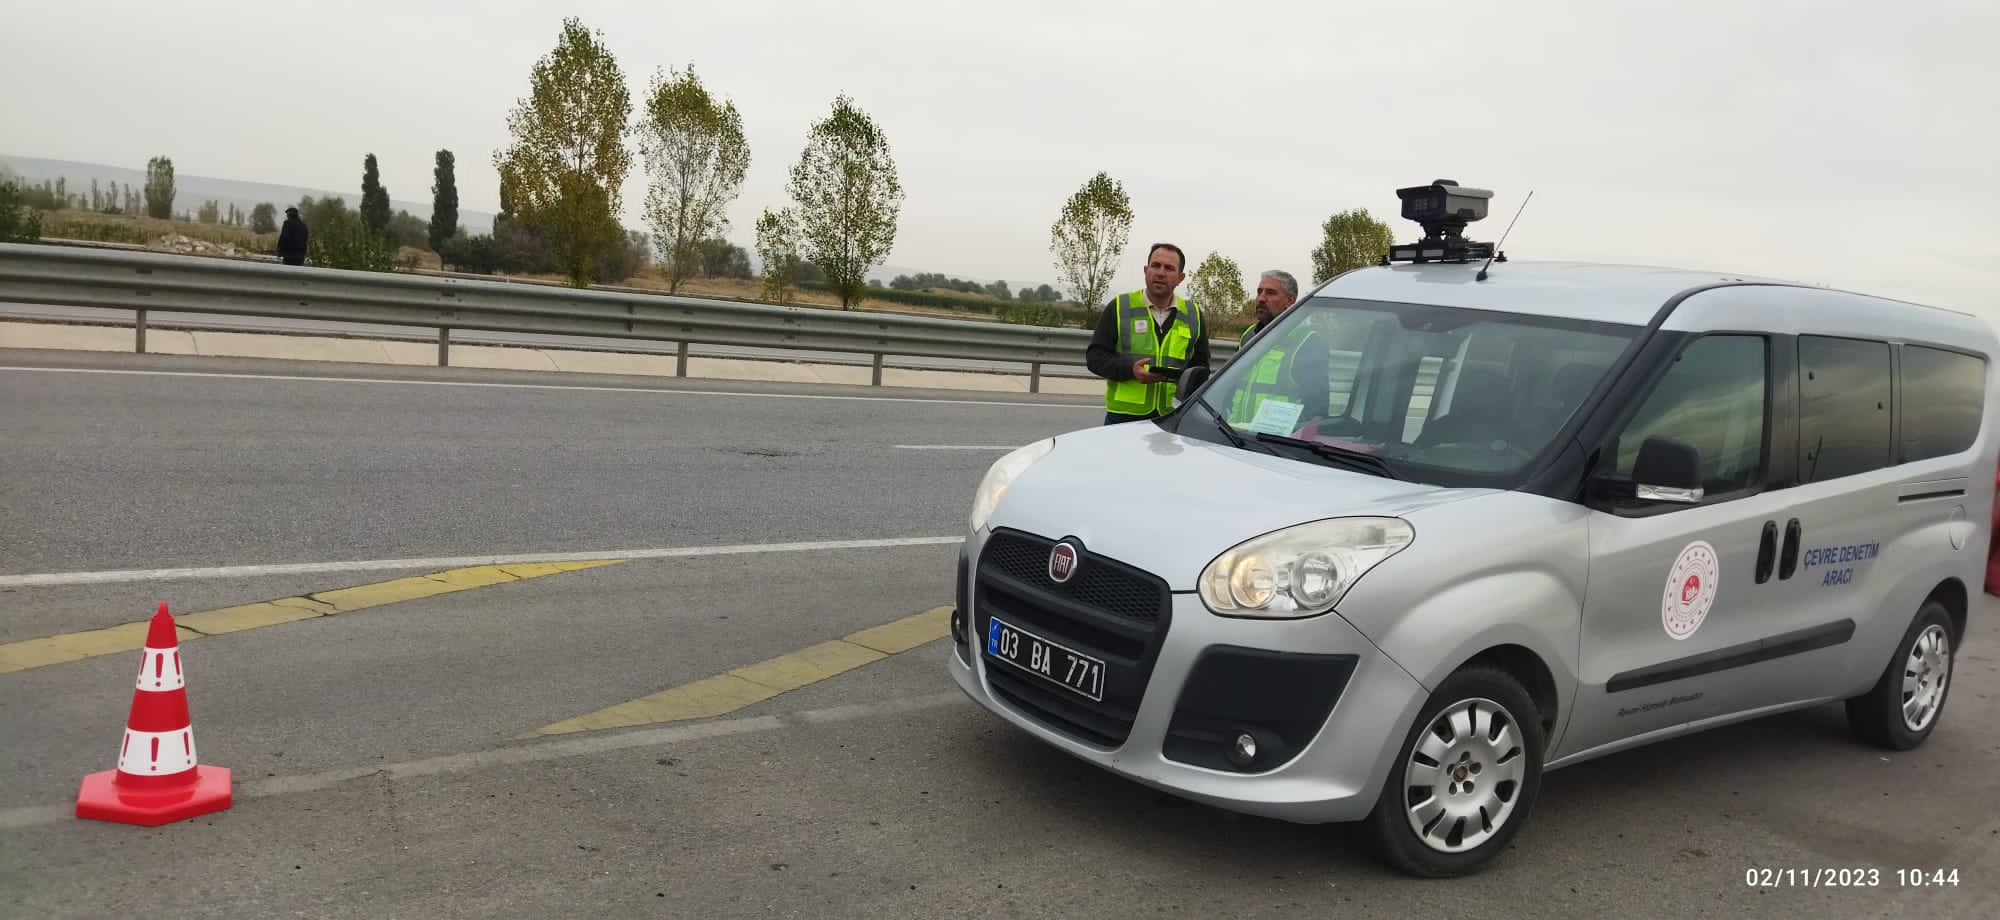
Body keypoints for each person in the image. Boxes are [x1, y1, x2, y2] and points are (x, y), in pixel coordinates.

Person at [1085, 243, 1211, 425]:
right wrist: (1130, 370)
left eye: (1169, 268)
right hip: (1123, 418)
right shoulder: (1120, 307)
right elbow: (1095, 357)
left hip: (1172, 417)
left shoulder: (1194, 315)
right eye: (1155, 265)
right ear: (1146, 270)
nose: (1160, 272)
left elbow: (1200, 367)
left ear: (1180, 278)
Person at [1228, 269, 1330, 428]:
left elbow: (1315, 412)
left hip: (1273, 445)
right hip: (1230, 437)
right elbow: (1228, 388)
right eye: (1259, 292)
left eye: (1270, 293)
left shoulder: (1308, 342)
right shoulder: (1247, 336)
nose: (1261, 298)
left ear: (1290, 300)